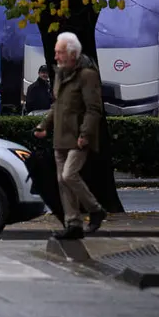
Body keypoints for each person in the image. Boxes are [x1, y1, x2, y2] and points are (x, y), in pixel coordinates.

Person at [34, 32, 107, 239]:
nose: (56, 57)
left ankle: (95, 210)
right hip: (61, 137)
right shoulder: (60, 74)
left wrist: (85, 134)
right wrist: (43, 125)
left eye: (59, 53)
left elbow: (94, 109)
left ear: (72, 54)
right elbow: (57, 106)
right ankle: (73, 224)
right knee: (62, 181)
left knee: (68, 175)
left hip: (77, 137)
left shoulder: (87, 75)